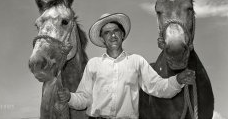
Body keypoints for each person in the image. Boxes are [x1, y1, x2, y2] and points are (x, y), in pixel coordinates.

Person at [58, 13, 195, 119]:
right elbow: (84, 98)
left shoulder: (136, 61)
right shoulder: (93, 64)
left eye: (116, 31)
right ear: (102, 39)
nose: (112, 35)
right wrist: (69, 97)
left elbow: (158, 87)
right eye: (106, 32)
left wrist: (178, 80)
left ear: (122, 34)